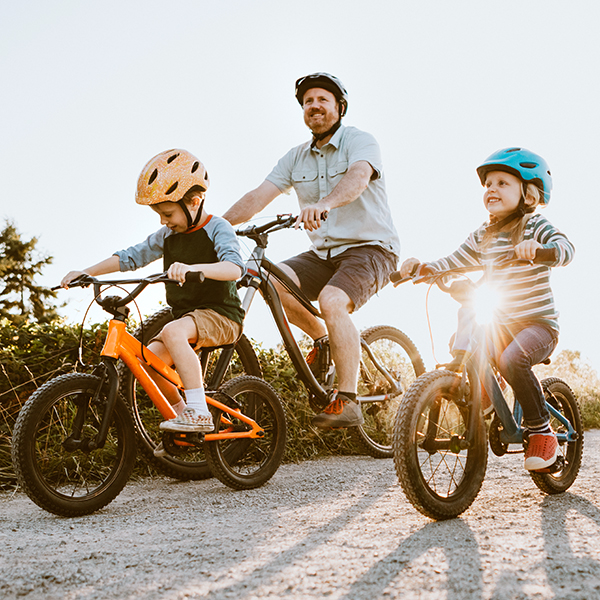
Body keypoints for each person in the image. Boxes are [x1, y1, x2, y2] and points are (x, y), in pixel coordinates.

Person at [223, 72, 400, 428]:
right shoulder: (295, 158)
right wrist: (214, 228)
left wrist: (326, 203)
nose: (314, 106)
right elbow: (258, 197)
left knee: (332, 301)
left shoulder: (360, 141)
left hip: (371, 248)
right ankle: (322, 339)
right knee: (270, 281)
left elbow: (359, 178)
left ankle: (348, 400)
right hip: (323, 254)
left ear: (340, 107)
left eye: (322, 100)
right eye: (307, 102)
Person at [399, 147, 575, 471]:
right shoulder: (483, 234)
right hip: (501, 323)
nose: (491, 189)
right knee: (465, 339)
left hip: (538, 325)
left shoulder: (534, 226)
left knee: (512, 358)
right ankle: (484, 389)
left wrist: (540, 250)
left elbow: (566, 249)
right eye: (488, 184)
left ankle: (541, 430)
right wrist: (423, 268)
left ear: (529, 193)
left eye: (502, 183)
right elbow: (452, 262)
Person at [61, 149, 246, 442]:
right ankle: (183, 418)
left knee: (172, 332)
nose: (163, 221)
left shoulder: (217, 227)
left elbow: (235, 268)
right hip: (187, 319)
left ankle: (198, 412)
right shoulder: (168, 236)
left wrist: (193, 268)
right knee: (150, 363)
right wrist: (87, 272)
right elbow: (131, 257)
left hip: (221, 314)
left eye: (168, 213)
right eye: (159, 214)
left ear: (194, 201)